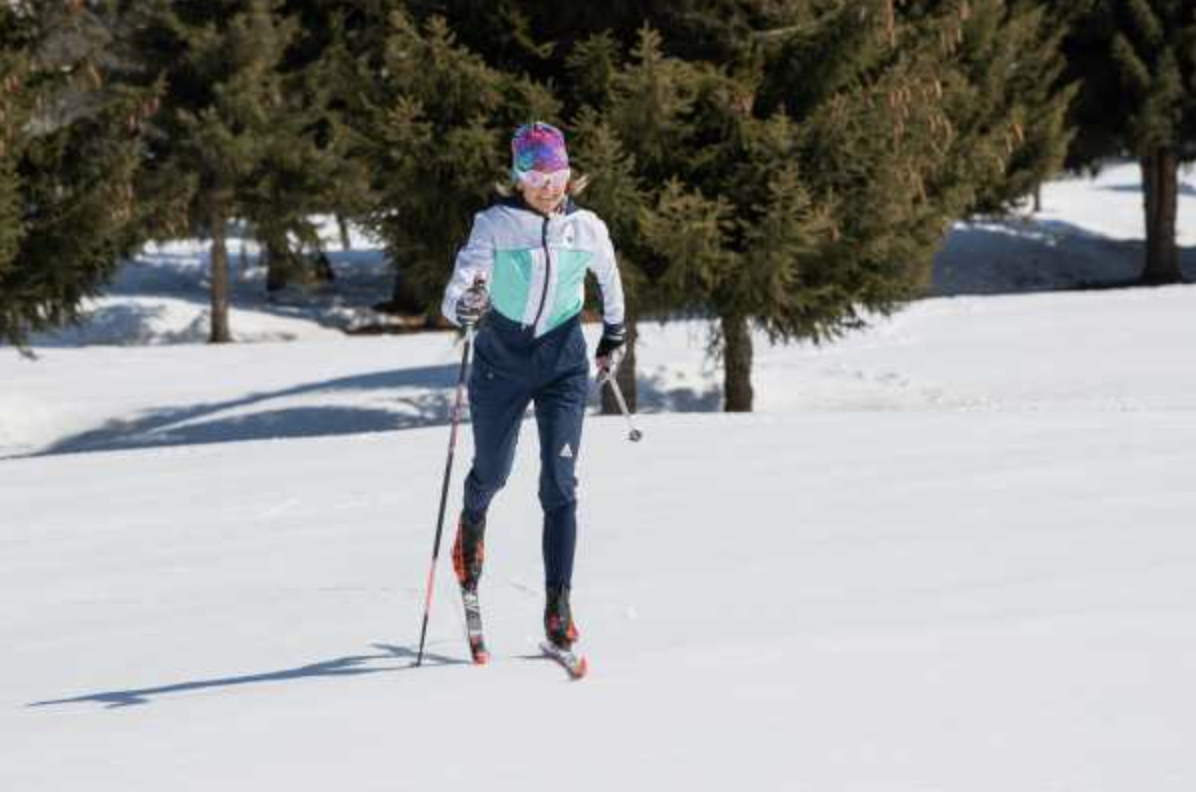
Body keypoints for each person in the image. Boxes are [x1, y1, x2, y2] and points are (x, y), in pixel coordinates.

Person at [441, 121, 625, 659]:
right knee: (493, 472)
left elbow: (610, 280)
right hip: (503, 360)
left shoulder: (587, 228)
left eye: (558, 173)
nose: (550, 185)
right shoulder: (494, 225)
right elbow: (463, 286)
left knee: (560, 485)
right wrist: (465, 306)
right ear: (518, 178)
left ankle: (558, 608)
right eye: (537, 175)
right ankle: (470, 529)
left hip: (563, 363)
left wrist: (614, 334)